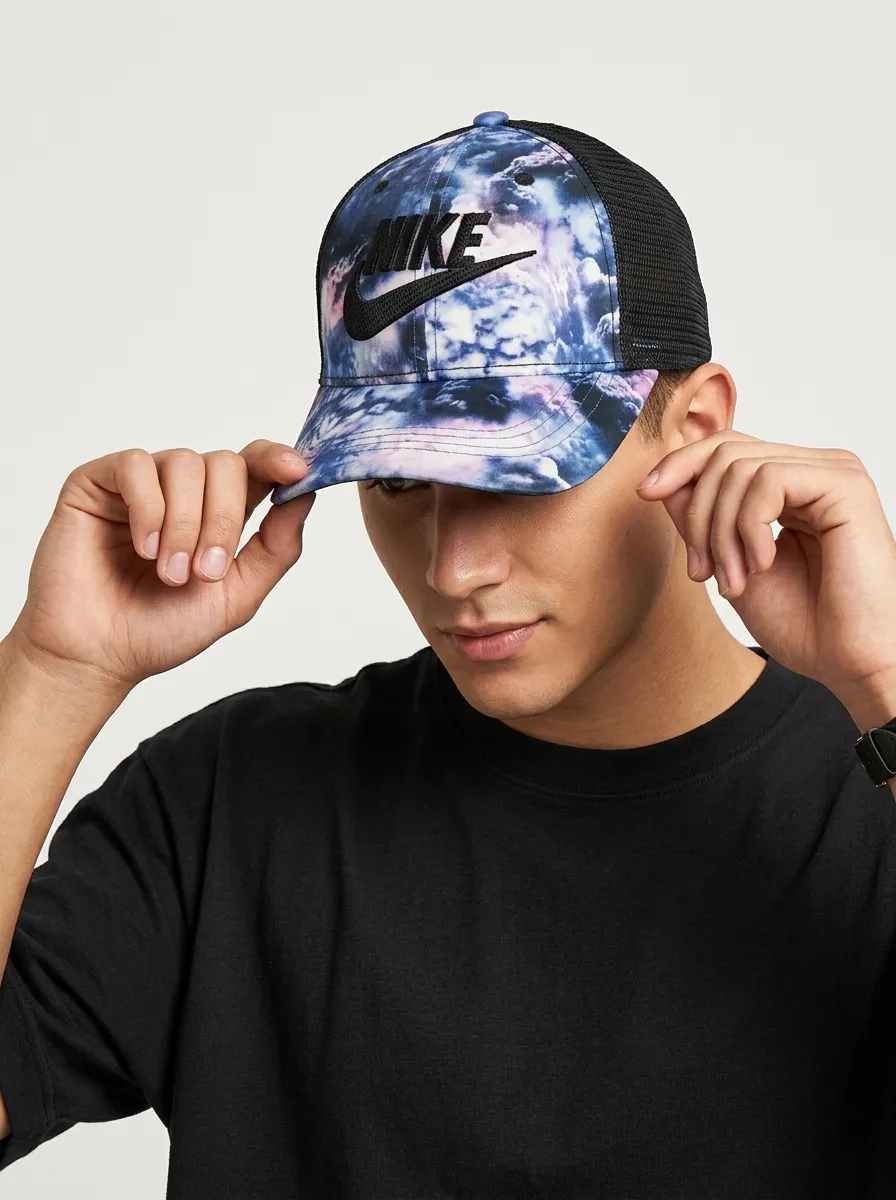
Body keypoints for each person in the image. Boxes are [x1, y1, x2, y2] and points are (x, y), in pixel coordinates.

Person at [1, 111, 895, 1198]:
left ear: (696, 429)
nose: (452, 566)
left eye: (517, 474)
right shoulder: (234, 801)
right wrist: (53, 672)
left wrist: (887, 683)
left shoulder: (870, 799)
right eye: (395, 482)